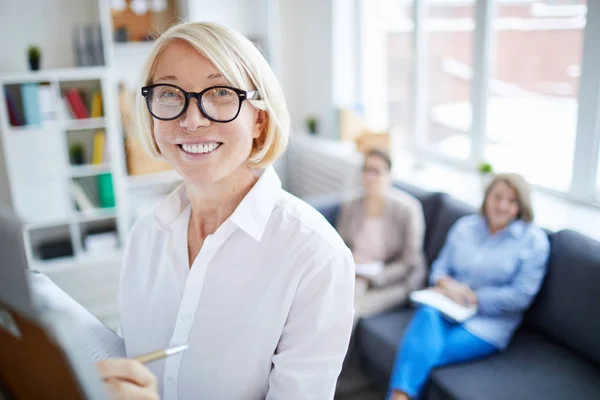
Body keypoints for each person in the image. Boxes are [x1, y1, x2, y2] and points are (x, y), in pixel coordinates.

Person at [109, 21, 355, 400]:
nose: (191, 120)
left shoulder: (316, 256)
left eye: (221, 92)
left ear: (259, 119)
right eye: (170, 94)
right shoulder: (145, 235)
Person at [387, 173, 551, 400]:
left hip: (488, 324)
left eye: (512, 200)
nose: (503, 205)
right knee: (426, 315)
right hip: (444, 308)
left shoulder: (534, 242)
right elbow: (439, 269)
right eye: (498, 197)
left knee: (420, 351)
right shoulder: (465, 227)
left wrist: (473, 297)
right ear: (487, 197)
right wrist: (449, 286)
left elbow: (521, 296)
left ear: (521, 206)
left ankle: (399, 397)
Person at [336, 149, 426, 319]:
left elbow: (410, 260)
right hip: (359, 273)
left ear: (389, 175)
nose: (370, 177)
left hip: (395, 280)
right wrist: (353, 258)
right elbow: (340, 246)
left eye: (376, 171)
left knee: (351, 309)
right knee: (333, 302)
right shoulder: (350, 206)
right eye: (366, 170)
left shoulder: (408, 210)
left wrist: (376, 274)